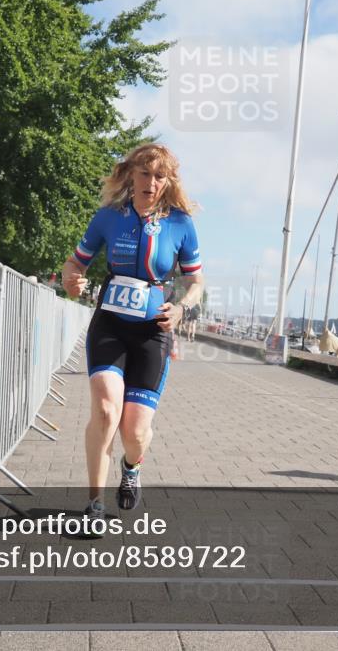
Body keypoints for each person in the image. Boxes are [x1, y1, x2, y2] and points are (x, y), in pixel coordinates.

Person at [61, 143, 204, 518]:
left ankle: (132, 466)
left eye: (160, 176)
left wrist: (182, 308)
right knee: (106, 410)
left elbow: (196, 281)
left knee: (135, 431)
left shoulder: (180, 224)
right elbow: (74, 264)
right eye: (145, 173)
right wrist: (72, 280)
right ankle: (94, 502)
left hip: (152, 332)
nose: (151, 182)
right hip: (109, 323)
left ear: (167, 182)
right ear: (131, 175)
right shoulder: (108, 217)